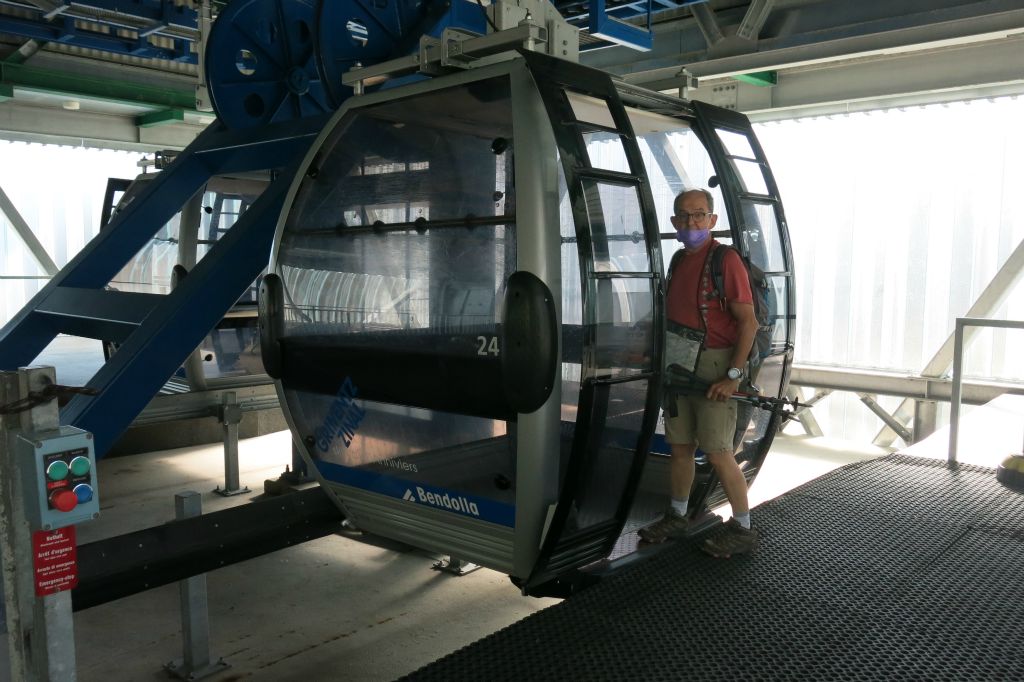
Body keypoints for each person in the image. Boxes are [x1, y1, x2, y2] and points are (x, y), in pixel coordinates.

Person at [638, 188, 760, 558]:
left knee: (719, 450)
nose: (692, 222)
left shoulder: (725, 261)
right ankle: (676, 515)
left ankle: (742, 527)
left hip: (714, 365)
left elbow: (749, 323)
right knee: (680, 447)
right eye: (684, 216)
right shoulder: (678, 260)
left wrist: (733, 375)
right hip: (678, 364)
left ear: (712, 220)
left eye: (699, 215)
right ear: (674, 221)